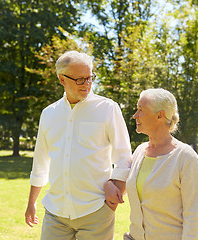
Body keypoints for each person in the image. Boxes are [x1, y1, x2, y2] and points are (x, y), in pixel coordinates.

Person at [25, 50, 132, 240]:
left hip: (96, 211)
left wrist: (115, 198)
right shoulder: (48, 114)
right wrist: (31, 202)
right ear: (62, 79)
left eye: (89, 77)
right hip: (55, 212)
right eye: (80, 79)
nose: (87, 84)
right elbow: (40, 160)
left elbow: (124, 158)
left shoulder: (108, 108)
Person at [105, 88, 198, 240]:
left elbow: (194, 217)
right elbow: (126, 185)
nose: (135, 115)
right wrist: (109, 183)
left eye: (141, 110)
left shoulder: (185, 157)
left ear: (160, 115)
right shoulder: (139, 151)